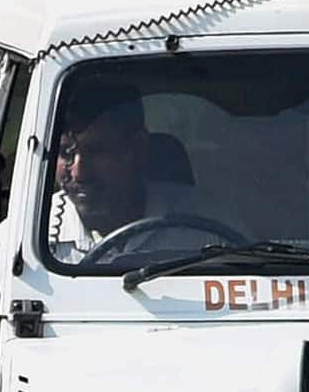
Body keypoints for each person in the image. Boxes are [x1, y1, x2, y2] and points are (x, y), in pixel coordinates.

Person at [48, 83, 246, 264]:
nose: (79, 172)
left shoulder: (212, 227)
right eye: (66, 153)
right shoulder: (32, 232)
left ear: (138, 147)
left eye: (98, 151)